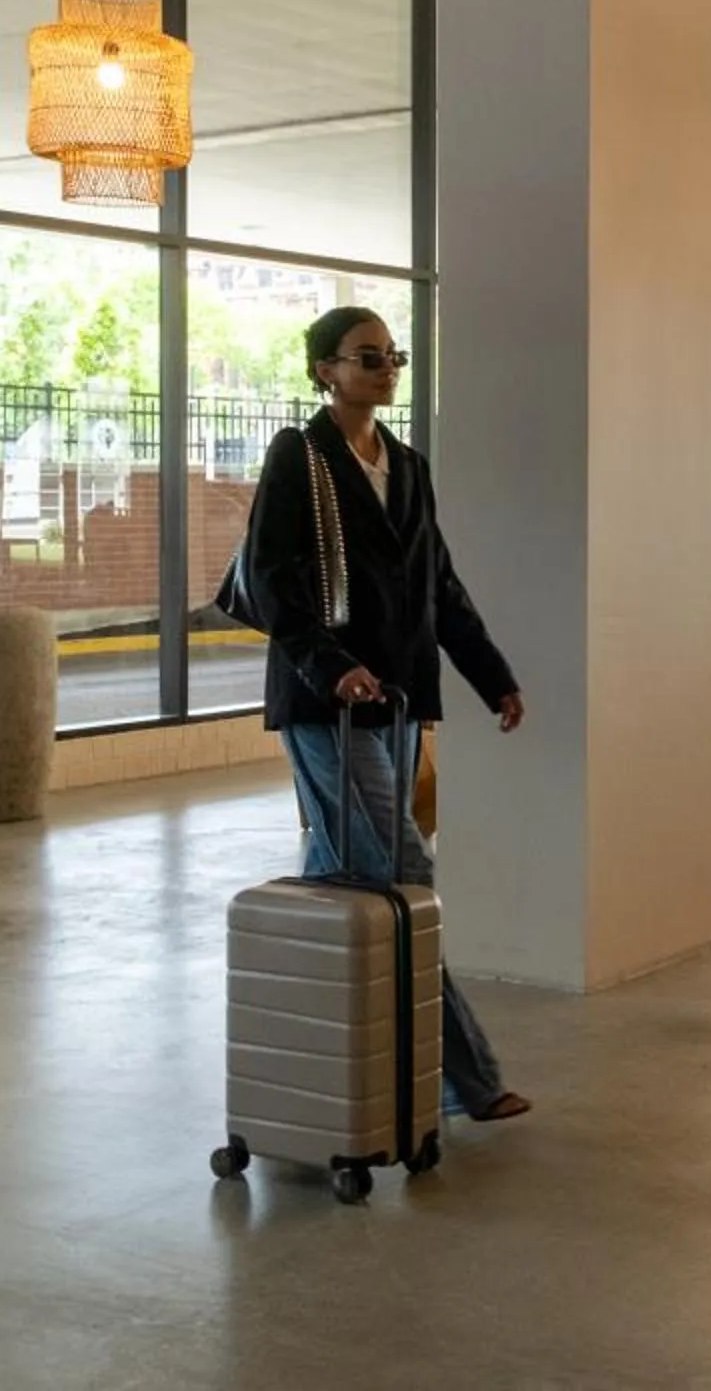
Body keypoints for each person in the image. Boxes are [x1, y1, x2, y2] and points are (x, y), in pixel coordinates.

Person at [245, 306, 531, 1123]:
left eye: (392, 356)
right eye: (367, 357)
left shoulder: (406, 465)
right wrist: (333, 668)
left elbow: (437, 583)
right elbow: (271, 580)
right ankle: (465, 1078)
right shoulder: (299, 457)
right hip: (326, 705)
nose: (385, 368)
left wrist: (491, 675)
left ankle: (308, 1064)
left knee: (342, 882)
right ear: (324, 370)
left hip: (401, 703)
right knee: (404, 874)